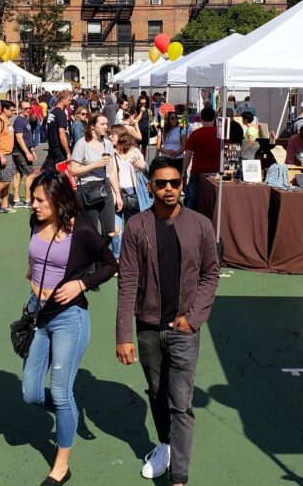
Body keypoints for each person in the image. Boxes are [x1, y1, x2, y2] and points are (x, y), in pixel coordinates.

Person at [116, 158, 220, 485]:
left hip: (184, 330)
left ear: (182, 185)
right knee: (157, 393)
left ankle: (179, 477)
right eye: (161, 183)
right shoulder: (137, 226)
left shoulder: (201, 225)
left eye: (174, 182)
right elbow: (128, 282)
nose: (169, 189)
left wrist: (195, 318)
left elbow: (210, 274)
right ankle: (164, 445)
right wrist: (123, 335)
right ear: (150, 186)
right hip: (148, 328)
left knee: (182, 404)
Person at [21, 172, 117, 486]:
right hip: (37, 314)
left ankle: (61, 466)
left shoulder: (83, 231)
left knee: (61, 392)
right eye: (33, 199)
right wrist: (32, 274)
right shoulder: (35, 222)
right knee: (31, 394)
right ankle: (68, 412)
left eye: (39, 200)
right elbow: (35, 255)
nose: (33, 205)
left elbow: (110, 265)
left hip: (68, 319)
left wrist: (81, 283)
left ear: (58, 200)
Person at [69, 113, 122, 241]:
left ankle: (99, 255)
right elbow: (74, 171)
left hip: (104, 185)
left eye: (106, 124)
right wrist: (95, 165)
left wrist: (118, 193)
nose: (106, 126)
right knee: (91, 233)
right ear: (92, 126)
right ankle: (94, 259)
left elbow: (111, 170)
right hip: (87, 188)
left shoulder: (107, 143)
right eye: (102, 124)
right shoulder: (82, 144)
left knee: (110, 231)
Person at [111, 124, 146, 260]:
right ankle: (117, 258)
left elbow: (144, 170)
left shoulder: (134, 151)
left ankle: (131, 258)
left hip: (132, 193)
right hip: (116, 192)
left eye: (113, 134)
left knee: (132, 230)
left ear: (121, 136)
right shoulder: (110, 153)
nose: (110, 136)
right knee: (116, 231)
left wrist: (141, 166)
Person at [182, 106, 221, 209]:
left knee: (193, 202)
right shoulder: (220, 135)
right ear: (214, 118)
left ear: (201, 118)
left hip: (197, 172)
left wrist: (183, 171)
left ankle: (191, 223)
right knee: (213, 204)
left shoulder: (195, 134)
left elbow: (188, 155)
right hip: (216, 173)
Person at [12, 101, 38, 208]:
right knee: (31, 174)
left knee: (19, 174)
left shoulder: (25, 120)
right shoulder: (19, 120)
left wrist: (32, 150)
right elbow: (19, 137)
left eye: (29, 108)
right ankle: (28, 201)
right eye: (25, 108)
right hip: (21, 151)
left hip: (24, 150)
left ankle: (16, 199)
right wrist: (27, 153)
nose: (28, 110)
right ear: (20, 109)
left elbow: (26, 138)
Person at [42, 92, 73, 173]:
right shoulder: (60, 113)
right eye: (69, 100)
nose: (70, 102)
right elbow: (62, 134)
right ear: (63, 100)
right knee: (62, 175)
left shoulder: (52, 112)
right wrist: (68, 152)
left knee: (49, 173)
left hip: (52, 148)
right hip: (59, 150)